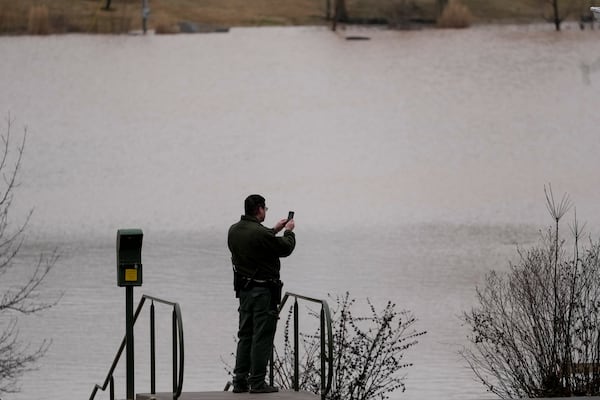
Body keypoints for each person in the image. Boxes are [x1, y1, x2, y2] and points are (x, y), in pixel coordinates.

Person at [227, 194, 296, 393]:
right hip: (263, 292)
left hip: (244, 292)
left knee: (245, 335)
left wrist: (274, 229)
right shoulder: (260, 233)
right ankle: (257, 382)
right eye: (265, 208)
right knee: (262, 337)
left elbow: (257, 242)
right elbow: (285, 248)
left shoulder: (234, 230)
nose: (266, 211)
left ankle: (239, 381)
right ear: (259, 209)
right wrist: (288, 232)